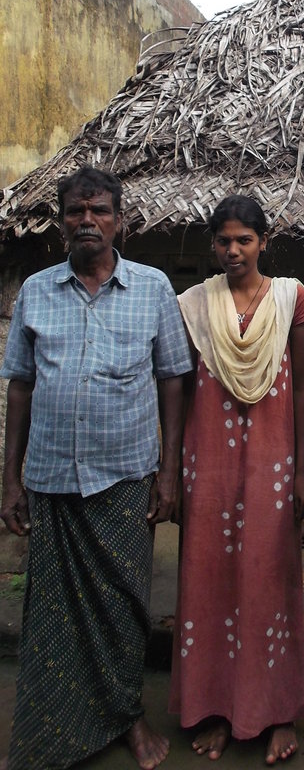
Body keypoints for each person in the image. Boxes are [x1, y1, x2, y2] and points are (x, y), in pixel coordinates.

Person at [0, 166, 192, 770]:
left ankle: (126, 716)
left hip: (125, 476)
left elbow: (173, 380)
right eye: (76, 212)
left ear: (119, 221)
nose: (87, 220)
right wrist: (10, 479)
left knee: (124, 606)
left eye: (99, 210)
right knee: (53, 614)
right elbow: (21, 386)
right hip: (52, 476)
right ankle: (57, 727)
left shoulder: (153, 288)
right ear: (61, 222)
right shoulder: (36, 292)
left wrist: (168, 473)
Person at [168, 195, 304, 764]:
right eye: (224, 241)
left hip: (273, 462)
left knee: (268, 577)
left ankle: (276, 712)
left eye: (244, 240)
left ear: (263, 241)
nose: (233, 250)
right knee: (208, 578)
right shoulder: (193, 304)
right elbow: (179, 387)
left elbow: (303, 387)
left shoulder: (292, 298)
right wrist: (172, 470)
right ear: (213, 245)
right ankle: (219, 709)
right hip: (208, 460)